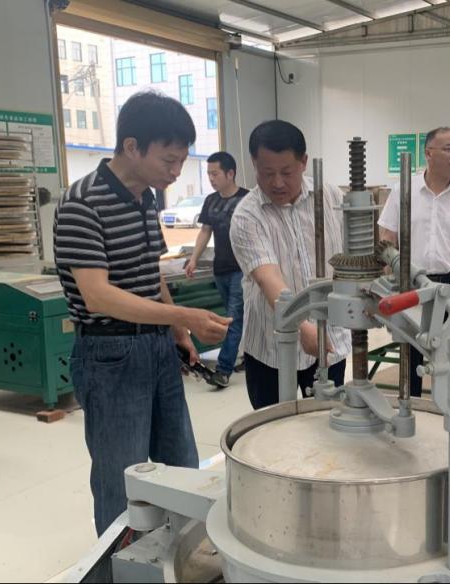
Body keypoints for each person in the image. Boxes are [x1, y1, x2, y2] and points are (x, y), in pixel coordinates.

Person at [53, 91, 231, 535]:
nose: (176, 172)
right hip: (110, 355)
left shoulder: (146, 198)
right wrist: (183, 316)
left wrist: (176, 329)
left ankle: (183, 555)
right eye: (169, 160)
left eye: (181, 161)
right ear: (132, 146)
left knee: (182, 465)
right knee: (122, 480)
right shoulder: (82, 203)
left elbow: (150, 272)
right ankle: (117, 562)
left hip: (155, 346)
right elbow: (97, 296)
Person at [229, 120, 350, 410]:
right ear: (254, 164)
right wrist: (301, 325)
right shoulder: (246, 216)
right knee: (271, 428)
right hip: (269, 348)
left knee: (327, 423)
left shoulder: (331, 197)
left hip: (330, 340)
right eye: (267, 173)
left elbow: (349, 258)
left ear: (304, 162)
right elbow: (267, 277)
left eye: (286, 172)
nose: (277, 183)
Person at [377, 126, 450, 397]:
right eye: (448, 149)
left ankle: (449, 410)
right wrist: (387, 279)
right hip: (411, 284)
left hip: (449, 284)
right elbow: (387, 236)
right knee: (410, 352)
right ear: (428, 153)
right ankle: (410, 404)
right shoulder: (404, 190)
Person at [184, 151, 250, 388]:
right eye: (209, 174)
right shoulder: (211, 200)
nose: (211, 178)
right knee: (237, 318)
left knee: (231, 319)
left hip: (242, 268)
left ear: (230, 173)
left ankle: (223, 371)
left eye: (215, 173)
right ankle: (249, 357)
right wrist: (193, 259)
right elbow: (205, 231)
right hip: (220, 268)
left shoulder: (247, 199)